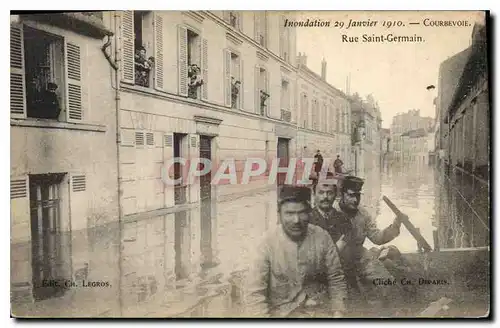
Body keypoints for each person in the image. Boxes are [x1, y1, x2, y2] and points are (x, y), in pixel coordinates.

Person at [244, 185, 347, 318]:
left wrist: (338, 313)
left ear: (310, 213)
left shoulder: (322, 236)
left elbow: (336, 279)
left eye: (302, 212)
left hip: (319, 311)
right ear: (279, 214)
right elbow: (254, 295)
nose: (296, 220)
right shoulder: (265, 243)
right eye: (289, 213)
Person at [333, 176, 402, 313]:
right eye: (351, 195)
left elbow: (377, 238)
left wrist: (395, 225)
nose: (355, 200)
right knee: (350, 293)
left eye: (358, 195)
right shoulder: (331, 212)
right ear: (342, 194)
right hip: (337, 260)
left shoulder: (363, 214)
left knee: (387, 281)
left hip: (360, 256)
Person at [309, 172, 351, 244]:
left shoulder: (344, 221)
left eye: (330, 193)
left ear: (335, 195)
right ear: (314, 194)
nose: (325, 196)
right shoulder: (307, 220)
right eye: (321, 192)